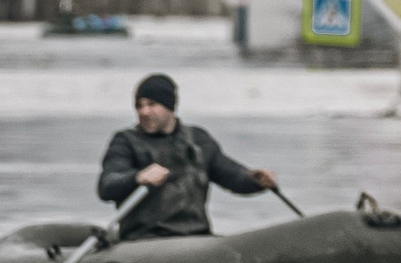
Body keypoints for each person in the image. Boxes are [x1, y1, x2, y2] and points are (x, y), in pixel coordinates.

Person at [99, 73, 279, 239]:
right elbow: (108, 185)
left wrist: (254, 180)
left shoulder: (198, 140)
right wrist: (137, 178)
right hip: (145, 240)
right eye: (139, 105)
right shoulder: (125, 141)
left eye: (152, 105)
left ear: (170, 107)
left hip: (196, 238)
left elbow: (230, 174)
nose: (144, 112)